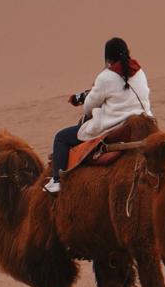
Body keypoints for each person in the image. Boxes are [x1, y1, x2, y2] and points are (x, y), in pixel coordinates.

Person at [45, 37, 152, 193]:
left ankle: (56, 181)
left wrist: (84, 99)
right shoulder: (140, 71)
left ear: (108, 58)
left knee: (61, 137)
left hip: (117, 125)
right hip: (145, 120)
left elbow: (88, 107)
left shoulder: (106, 77)